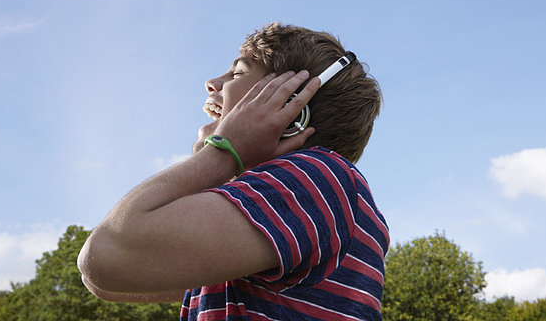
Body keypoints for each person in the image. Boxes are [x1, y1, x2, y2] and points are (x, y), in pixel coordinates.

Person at [78, 22, 389, 320]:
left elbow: (108, 254)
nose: (213, 82)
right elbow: (102, 281)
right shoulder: (293, 211)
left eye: (238, 71)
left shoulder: (320, 178)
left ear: (292, 109)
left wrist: (223, 151)